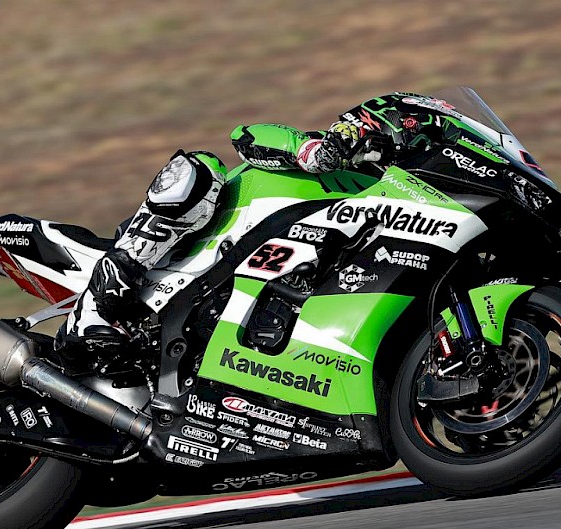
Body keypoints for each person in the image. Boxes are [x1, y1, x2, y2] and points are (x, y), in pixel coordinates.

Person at [56, 92, 444, 373]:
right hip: (195, 250)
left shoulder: (402, 212)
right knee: (200, 168)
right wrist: (309, 150)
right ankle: (95, 306)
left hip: (256, 303)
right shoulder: (337, 160)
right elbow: (245, 134)